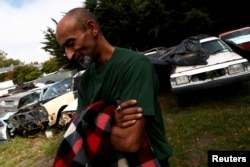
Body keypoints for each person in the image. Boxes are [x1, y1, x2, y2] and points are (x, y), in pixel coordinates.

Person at [56, 7, 172, 166]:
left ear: (92, 28)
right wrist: (111, 118)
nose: (69, 55)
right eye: (65, 49)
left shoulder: (136, 65)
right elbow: (80, 128)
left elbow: (129, 141)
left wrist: (98, 123)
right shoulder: (85, 81)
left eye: (71, 43)